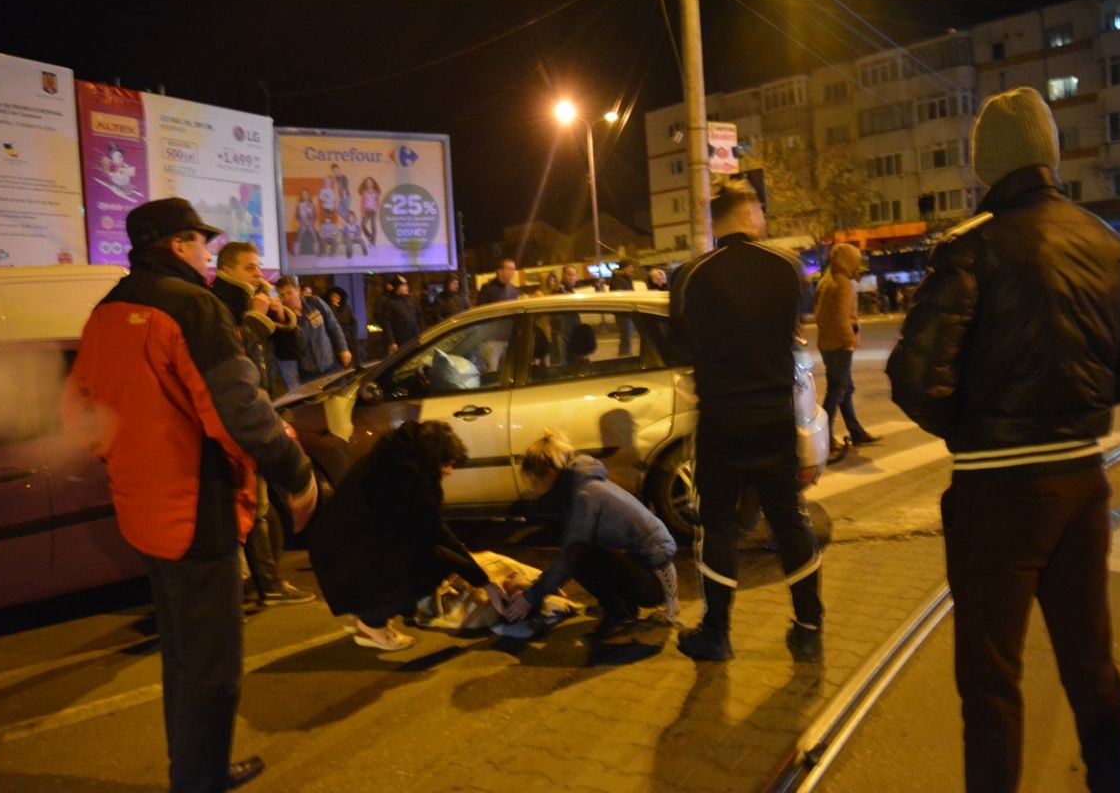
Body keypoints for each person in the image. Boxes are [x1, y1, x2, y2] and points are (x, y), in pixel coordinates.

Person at [887, 87, 1120, 793]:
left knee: (992, 680)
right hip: (1082, 481)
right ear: (1049, 155)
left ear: (986, 163)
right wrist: (1078, 402)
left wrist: (975, 428)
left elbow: (915, 378)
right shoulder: (1112, 245)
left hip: (997, 493)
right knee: (1091, 660)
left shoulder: (971, 248)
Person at [63, 198, 319, 792]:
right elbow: (238, 411)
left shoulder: (107, 310)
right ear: (178, 245)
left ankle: (193, 770)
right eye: (203, 243)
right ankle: (201, 779)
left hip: (141, 507)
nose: (208, 253)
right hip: (195, 509)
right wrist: (296, 473)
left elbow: (78, 413)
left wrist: (127, 457)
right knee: (212, 662)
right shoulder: (192, 307)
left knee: (182, 653)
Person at [669, 177, 824, 664]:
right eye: (759, 208)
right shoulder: (786, 266)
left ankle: (716, 633)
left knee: (717, 526)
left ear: (714, 221)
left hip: (721, 420)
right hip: (773, 416)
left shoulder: (690, 275)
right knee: (789, 521)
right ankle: (808, 628)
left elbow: (679, 342)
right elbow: (795, 326)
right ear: (749, 213)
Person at [307, 420, 507, 650]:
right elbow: (435, 532)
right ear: (433, 457)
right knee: (432, 564)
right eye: (447, 464)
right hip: (347, 558)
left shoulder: (387, 461)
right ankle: (371, 624)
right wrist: (485, 583)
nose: (449, 471)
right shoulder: (409, 480)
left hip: (338, 550)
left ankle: (368, 611)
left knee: (425, 556)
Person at [213, 242, 316, 607]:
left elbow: (290, 348)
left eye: (259, 267)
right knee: (246, 505)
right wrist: (256, 315)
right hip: (237, 420)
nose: (259, 274)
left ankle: (264, 583)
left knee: (258, 503)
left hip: (256, 410)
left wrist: (281, 316)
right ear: (226, 270)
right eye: (250, 268)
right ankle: (253, 585)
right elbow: (232, 357)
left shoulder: (248, 302)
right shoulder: (218, 305)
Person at [503, 430, 679, 644]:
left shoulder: (586, 495)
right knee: (578, 552)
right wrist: (543, 585)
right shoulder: (581, 487)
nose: (533, 489)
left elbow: (571, 556)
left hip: (655, 582)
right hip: (644, 569)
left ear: (549, 474)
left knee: (578, 556)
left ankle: (621, 615)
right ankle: (622, 606)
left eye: (534, 481)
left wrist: (530, 597)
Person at [814, 243, 880, 458]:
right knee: (836, 391)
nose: (857, 263)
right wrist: (849, 341)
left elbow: (820, 315)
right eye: (855, 259)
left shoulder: (826, 280)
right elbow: (842, 318)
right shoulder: (843, 284)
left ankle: (856, 431)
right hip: (839, 345)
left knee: (844, 388)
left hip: (827, 343)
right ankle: (824, 436)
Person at [276, 276, 352, 382]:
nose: (286, 298)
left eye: (289, 293)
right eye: (282, 295)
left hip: (330, 364)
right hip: (307, 373)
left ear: (298, 290)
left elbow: (333, 325)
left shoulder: (315, 302)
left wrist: (343, 349)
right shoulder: (284, 318)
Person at [379, 274, 421, 355]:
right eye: (403, 285)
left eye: (407, 285)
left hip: (414, 338)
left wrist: (421, 333)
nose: (407, 287)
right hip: (400, 341)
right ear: (397, 288)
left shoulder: (412, 301)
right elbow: (386, 324)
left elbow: (419, 318)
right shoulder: (390, 303)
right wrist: (391, 341)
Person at [325, 286, 360, 369]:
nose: (336, 298)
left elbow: (354, 322)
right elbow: (332, 323)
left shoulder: (346, 308)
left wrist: (353, 335)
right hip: (335, 341)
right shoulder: (327, 308)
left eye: (338, 296)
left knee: (354, 362)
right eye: (334, 296)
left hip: (349, 338)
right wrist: (333, 307)